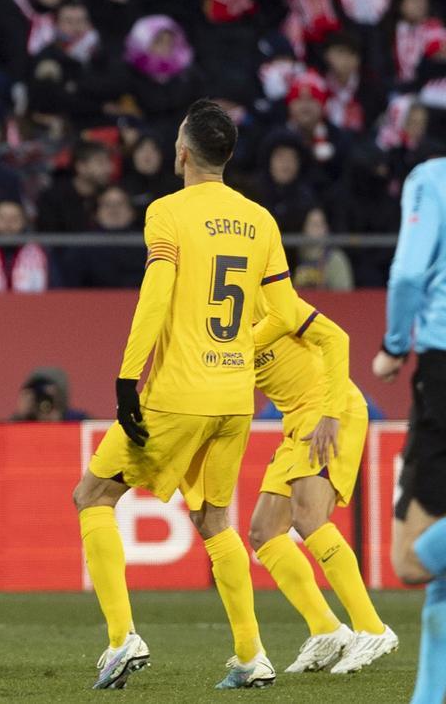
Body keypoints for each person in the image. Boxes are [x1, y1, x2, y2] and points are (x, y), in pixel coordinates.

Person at [72, 100, 299, 690]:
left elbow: (156, 295)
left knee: (92, 495)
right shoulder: (262, 220)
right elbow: (286, 312)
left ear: (183, 152)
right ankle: (252, 655)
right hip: (234, 395)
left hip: (178, 392)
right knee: (214, 517)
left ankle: (122, 640)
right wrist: (242, 349)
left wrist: (127, 378)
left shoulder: (167, 213)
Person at [248, 293, 396, 673]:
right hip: (295, 421)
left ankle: (372, 628)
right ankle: (326, 629)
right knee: (264, 533)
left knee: (309, 516)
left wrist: (330, 414)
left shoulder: (270, 301)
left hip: (330, 410)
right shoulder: (218, 326)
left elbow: (338, 338)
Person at [372, 145, 446, 704]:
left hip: (443, 367)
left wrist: (395, 345)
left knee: (412, 558)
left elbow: (408, 274)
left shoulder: (432, 178)